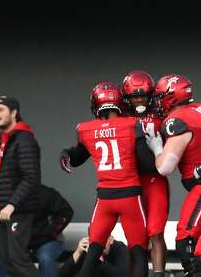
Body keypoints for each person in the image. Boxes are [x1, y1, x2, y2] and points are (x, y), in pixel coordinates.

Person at [60, 81, 148, 277]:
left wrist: (65, 154)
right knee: (139, 251)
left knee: (93, 252)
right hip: (130, 196)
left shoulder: (86, 129)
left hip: (105, 199)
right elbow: (147, 163)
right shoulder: (132, 125)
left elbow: (76, 158)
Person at [145, 74, 201, 276]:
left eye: (160, 97)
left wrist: (157, 147)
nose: (157, 102)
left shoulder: (177, 121)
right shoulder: (197, 110)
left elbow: (165, 168)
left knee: (185, 243)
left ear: (171, 97)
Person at [121, 70, 169, 277]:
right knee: (136, 238)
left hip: (154, 179)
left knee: (156, 231)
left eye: (143, 95)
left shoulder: (162, 115)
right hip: (130, 181)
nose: (139, 99)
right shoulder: (121, 117)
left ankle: (158, 274)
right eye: (134, 95)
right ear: (127, 97)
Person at [0, 95, 41, 277]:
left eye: (1, 109)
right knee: (7, 260)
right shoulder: (1, 139)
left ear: (14, 112)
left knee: (18, 260)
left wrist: (12, 205)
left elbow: (31, 178)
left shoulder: (24, 139)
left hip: (16, 211)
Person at [0, 184, 74, 277]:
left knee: (46, 259)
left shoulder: (46, 193)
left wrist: (51, 231)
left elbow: (67, 211)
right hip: (20, 242)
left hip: (47, 241)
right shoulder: (9, 198)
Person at [59, 236, 130, 277]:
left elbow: (123, 275)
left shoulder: (120, 249)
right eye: (95, 240)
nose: (99, 244)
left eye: (102, 239)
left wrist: (99, 259)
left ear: (111, 239)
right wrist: (78, 252)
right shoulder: (88, 248)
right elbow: (62, 275)